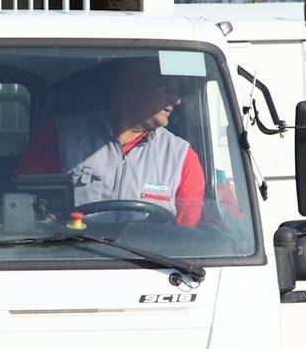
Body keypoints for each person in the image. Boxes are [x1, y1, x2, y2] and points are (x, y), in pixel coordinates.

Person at [14, 56, 204, 225]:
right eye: (166, 86)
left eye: (177, 90)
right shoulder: (56, 136)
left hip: (153, 264)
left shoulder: (183, 158)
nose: (177, 99)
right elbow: (24, 212)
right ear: (131, 83)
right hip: (69, 261)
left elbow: (186, 238)